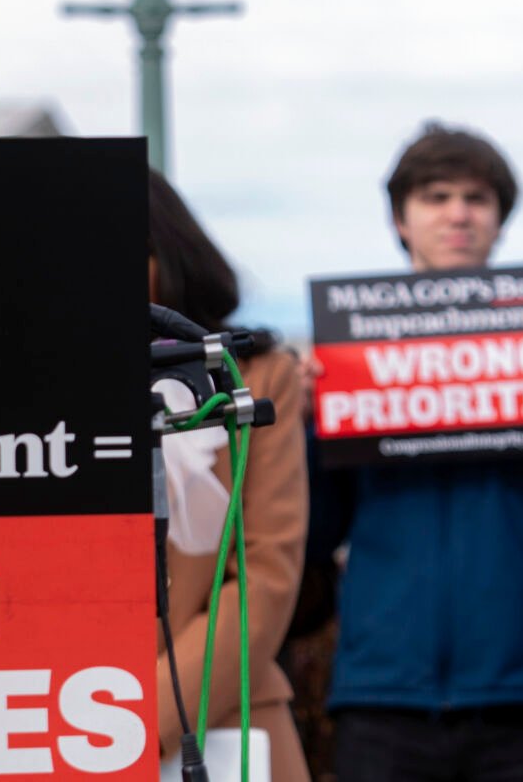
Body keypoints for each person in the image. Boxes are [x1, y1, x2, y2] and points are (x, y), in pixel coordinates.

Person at [323, 123, 523, 781]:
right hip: (382, 702)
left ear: (499, 219)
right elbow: (315, 529)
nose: (457, 213)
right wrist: (300, 426)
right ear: (400, 218)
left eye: (476, 197)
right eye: (435, 196)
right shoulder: (347, 361)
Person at [149, 169, 310, 782]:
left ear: (169, 251)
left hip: (219, 714)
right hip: (41, 721)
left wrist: (127, 720)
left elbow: (265, 574)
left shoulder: (261, 374)